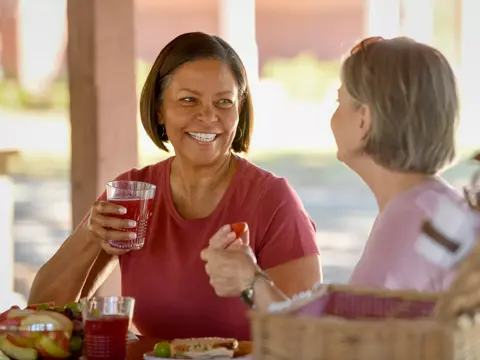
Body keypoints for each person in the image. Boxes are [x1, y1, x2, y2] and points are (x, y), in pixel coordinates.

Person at [28, 32, 321, 340]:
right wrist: (91, 237)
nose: (208, 116)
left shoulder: (273, 201)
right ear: (159, 110)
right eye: (188, 100)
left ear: (239, 110)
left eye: (223, 102)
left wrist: (253, 281)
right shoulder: (134, 192)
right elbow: (41, 314)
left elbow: (310, 337)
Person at [201, 36, 465, 310]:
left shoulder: (408, 221)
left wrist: (251, 281)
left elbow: (343, 342)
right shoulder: (435, 207)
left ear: (364, 120)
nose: (333, 117)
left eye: (340, 101)